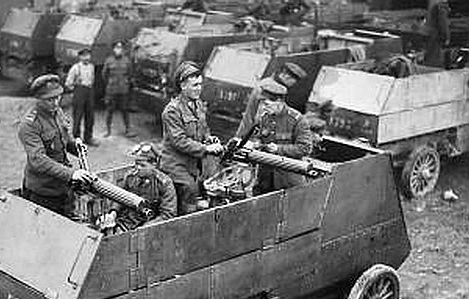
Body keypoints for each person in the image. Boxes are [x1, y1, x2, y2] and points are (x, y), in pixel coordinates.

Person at [18, 74, 95, 216]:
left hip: (62, 186)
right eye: (49, 99)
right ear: (38, 99)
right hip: (43, 191)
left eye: (57, 97)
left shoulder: (57, 112)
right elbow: (38, 160)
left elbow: (64, 140)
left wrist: (76, 148)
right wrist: (71, 174)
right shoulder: (29, 125)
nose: (55, 103)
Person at [160, 61, 224, 214]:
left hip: (193, 164)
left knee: (212, 184)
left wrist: (210, 138)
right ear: (182, 86)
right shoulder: (172, 111)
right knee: (190, 189)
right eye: (195, 85)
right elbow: (180, 141)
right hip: (175, 165)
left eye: (200, 84)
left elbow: (203, 129)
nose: (199, 89)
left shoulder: (198, 105)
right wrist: (206, 148)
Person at [239, 77, 314, 193]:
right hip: (264, 180)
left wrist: (279, 149)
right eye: (262, 103)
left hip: (288, 182)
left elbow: (305, 148)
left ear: (279, 102)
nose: (264, 107)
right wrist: (256, 145)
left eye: (267, 103)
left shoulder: (297, 120)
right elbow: (259, 138)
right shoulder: (265, 117)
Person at [99, 143, 177, 232]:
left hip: (149, 227)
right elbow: (119, 197)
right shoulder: (130, 177)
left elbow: (167, 215)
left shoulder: (164, 184)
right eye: (136, 164)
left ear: (154, 164)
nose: (138, 168)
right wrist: (113, 214)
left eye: (143, 165)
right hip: (125, 223)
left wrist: (144, 229)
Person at [235, 61, 307, 140]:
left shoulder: (267, 81)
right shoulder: (274, 88)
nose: (293, 85)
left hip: (246, 132)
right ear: (285, 76)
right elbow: (265, 116)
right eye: (294, 82)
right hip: (252, 137)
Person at [103, 41, 136, 138]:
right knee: (109, 110)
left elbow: (130, 74)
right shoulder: (109, 60)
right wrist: (110, 83)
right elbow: (104, 75)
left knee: (124, 110)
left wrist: (126, 83)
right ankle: (108, 130)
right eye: (117, 47)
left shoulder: (127, 61)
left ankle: (128, 129)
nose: (118, 50)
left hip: (123, 90)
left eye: (120, 48)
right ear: (113, 49)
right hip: (111, 90)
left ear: (123, 50)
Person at [65, 48, 98, 146]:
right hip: (79, 92)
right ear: (80, 57)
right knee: (77, 116)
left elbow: (92, 79)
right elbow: (68, 83)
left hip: (89, 92)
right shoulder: (76, 68)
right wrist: (75, 86)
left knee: (90, 116)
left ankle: (88, 138)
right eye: (84, 55)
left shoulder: (92, 67)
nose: (86, 57)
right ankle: (77, 140)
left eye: (88, 55)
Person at [425, 0, 450, 68]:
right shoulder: (441, 5)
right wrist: (446, 36)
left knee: (430, 54)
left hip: (430, 33)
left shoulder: (432, 3)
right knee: (435, 56)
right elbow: (443, 23)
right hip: (437, 35)